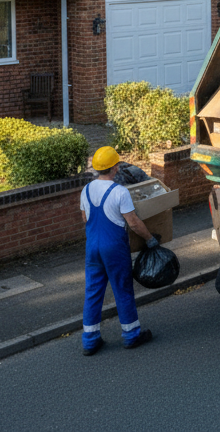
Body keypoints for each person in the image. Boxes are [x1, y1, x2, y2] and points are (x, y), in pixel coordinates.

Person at [80, 146, 155, 356]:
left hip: (92, 247)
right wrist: (150, 239)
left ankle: (90, 340)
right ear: (114, 168)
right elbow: (134, 223)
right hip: (114, 248)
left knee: (93, 292)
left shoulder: (86, 190)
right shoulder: (120, 192)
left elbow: (85, 218)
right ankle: (131, 335)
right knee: (122, 289)